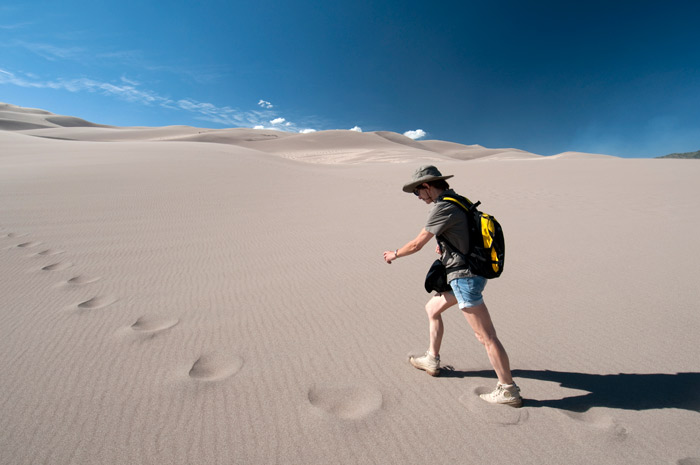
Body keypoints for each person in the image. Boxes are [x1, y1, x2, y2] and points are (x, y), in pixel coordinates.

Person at [383, 165, 522, 407]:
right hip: (467, 272)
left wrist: (394, 254)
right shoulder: (458, 200)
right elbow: (465, 232)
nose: (417, 198)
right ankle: (431, 359)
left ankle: (508, 389)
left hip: (464, 277)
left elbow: (417, 244)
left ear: (427, 186)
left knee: (486, 336)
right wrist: (447, 244)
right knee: (432, 309)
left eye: (417, 192)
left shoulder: (442, 206)